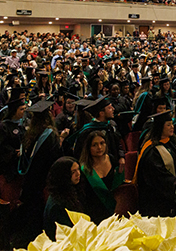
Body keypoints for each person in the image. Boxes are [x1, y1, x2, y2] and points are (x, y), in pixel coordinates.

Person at [14, 100, 67, 247]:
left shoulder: (29, 135)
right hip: (45, 183)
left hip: (31, 184)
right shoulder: (50, 136)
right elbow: (55, 159)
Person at [134, 111, 176, 219]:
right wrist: (175, 181)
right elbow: (156, 174)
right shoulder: (151, 149)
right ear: (160, 127)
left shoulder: (174, 140)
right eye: (168, 125)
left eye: (172, 124)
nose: (172, 127)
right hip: (159, 198)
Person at [79, 130, 123, 224]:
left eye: (102, 143)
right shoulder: (84, 170)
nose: (99, 147)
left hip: (115, 210)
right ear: (88, 148)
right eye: (94, 145)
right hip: (95, 213)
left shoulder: (111, 159)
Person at [43, 157, 84, 240]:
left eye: (78, 169)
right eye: (73, 172)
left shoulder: (68, 193)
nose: (78, 173)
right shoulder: (57, 204)